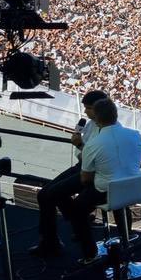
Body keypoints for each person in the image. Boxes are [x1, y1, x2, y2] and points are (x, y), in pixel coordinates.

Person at [30, 90, 107, 257]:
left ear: (100, 108)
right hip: (82, 166)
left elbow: (95, 159)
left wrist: (79, 145)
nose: (85, 112)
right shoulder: (90, 124)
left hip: (93, 172)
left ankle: (71, 231)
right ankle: (53, 239)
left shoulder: (104, 129)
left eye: (89, 108)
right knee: (44, 194)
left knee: (51, 194)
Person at [69, 98, 141, 265]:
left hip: (108, 193)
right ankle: (126, 242)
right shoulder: (135, 135)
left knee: (77, 209)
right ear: (116, 114)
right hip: (135, 189)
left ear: (95, 119)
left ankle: (91, 255)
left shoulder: (93, 144)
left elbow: (86, 178)